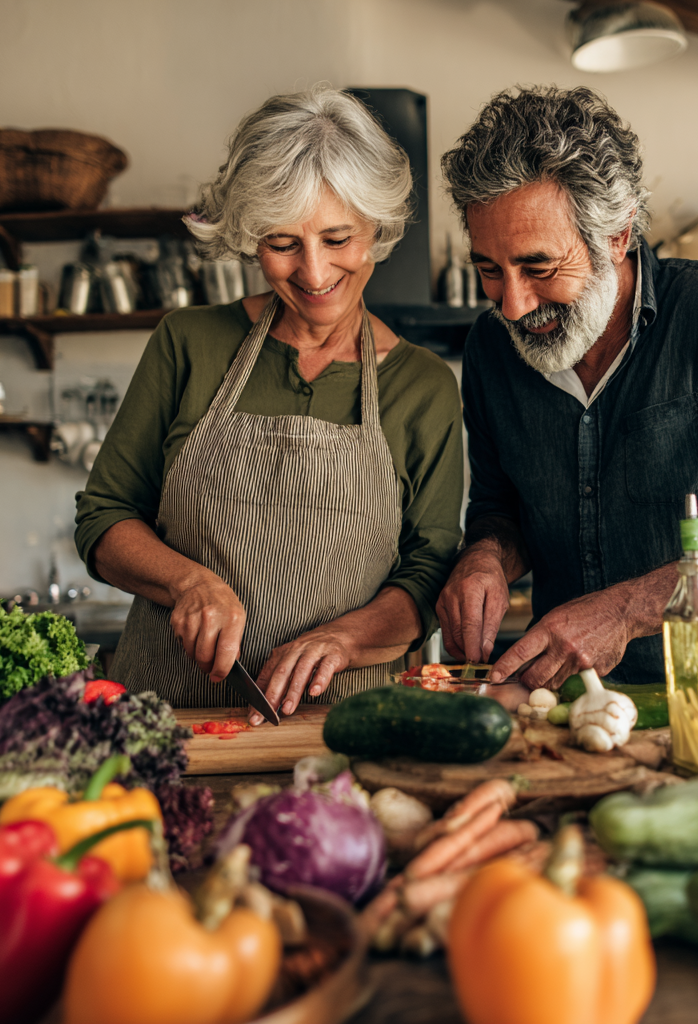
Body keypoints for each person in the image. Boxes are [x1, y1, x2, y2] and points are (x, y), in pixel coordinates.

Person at [75, 86, 463, 722]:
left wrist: (345, 638)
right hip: (174, 725)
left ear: (378, 230)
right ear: (250, 238)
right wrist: (188, 583)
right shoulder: (188, 343)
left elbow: (428, 572)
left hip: (346, 733)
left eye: (337, 238)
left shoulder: (421, 385)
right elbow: (104, 517)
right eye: (283, 243)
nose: (313, 273)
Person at [435, 85, 698, 690]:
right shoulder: (490, 350)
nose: (513, 305)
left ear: (618, 237)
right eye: (490, 270)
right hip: (571, 706)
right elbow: (502, 509)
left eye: (539, 267)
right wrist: (486, 557)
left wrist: (626, 610)